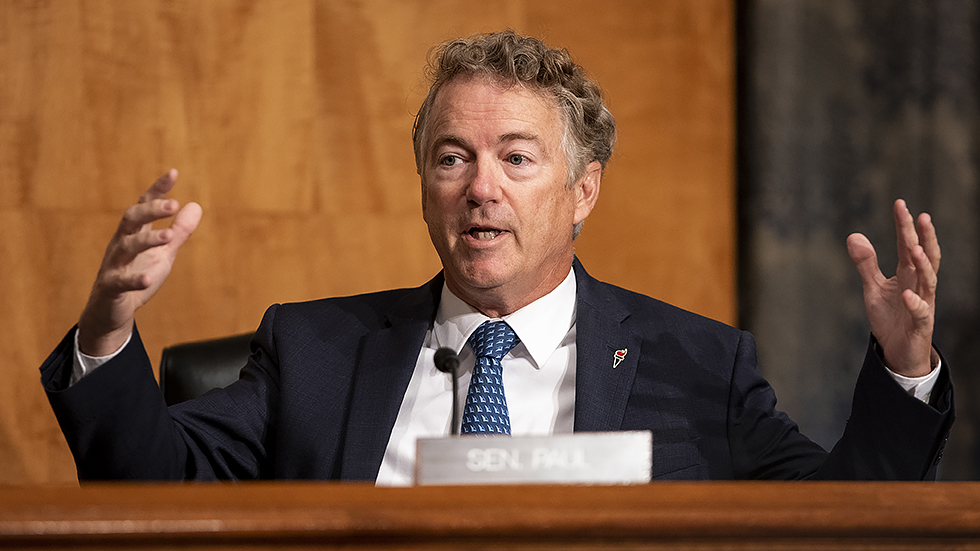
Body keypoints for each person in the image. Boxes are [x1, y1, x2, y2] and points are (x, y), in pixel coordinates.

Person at [41, 31, 952, 483]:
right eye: (452, 158)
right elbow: (153, 481)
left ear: (582, 191)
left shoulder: (700, 364)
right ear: (425, 185)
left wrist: (906, 370)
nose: (480, 187)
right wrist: (107, 333)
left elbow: (841, 512)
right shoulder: (314, 350)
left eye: (517, 158)